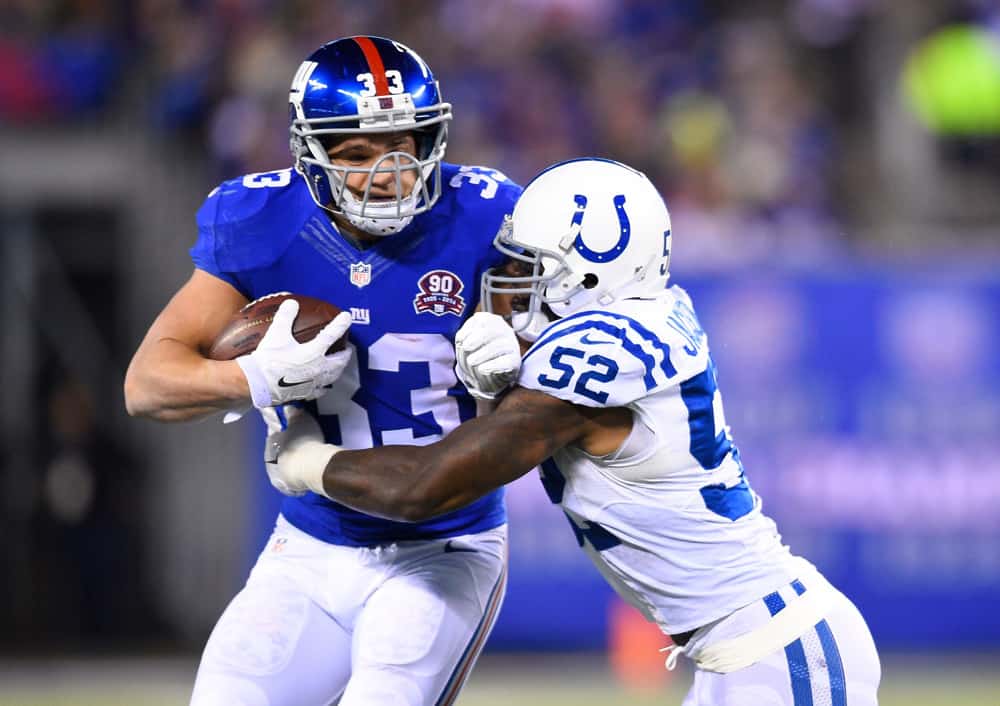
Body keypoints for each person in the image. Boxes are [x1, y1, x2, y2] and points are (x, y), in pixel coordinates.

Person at [264, 158, 883, 706]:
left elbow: (423, 488)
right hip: (746, 647)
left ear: (591, 268)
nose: (513, 276)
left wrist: (307, 463)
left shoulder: (594, 358)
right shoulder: (638, 317)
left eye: (533, 264)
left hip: (778, 648)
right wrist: (507, 370)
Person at [124, 36, 521, 706]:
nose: (388, 170)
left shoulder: (486, 215)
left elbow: (554, 383)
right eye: (357, 152)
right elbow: (148, 382)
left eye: (405, 143)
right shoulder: (259, 220)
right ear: (311, 154)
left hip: (443, 549)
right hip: (310, 545)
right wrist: (253, 380)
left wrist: (515, 354)